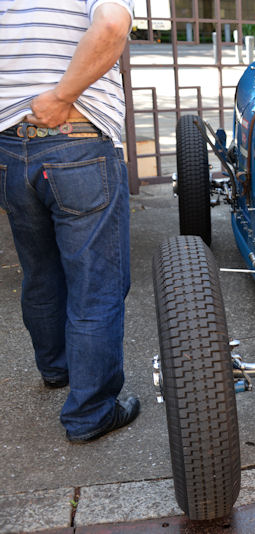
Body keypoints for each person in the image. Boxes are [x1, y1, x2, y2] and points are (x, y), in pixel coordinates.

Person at [0, 0, 139, 443]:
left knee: (40, 271)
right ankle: (91, 412)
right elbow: (113, 24)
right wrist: (61, 96)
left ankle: (57, 370)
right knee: (95, 283)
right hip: (75, 140)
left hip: (8, 146)